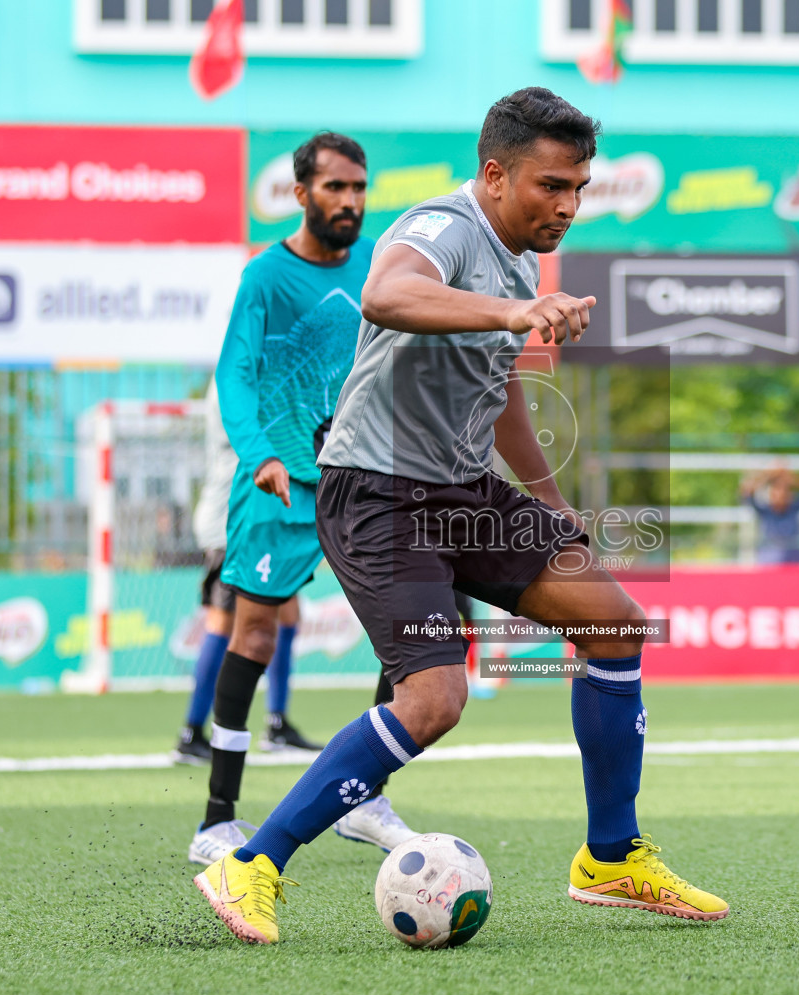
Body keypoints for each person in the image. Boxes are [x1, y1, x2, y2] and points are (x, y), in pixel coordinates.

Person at [194, 87, 728, 944]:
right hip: (377, 491)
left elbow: (502, 382)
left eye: (580, 187)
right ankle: (251, 862)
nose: (568, 205)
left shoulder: (520, 260)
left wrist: (552, 502)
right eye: (551, 185)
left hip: (462, 492)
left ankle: (610, 858)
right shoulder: (440, 227)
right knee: (435, 699)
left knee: (615, 624)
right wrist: (517, 313)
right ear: (494, 173)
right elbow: (387, 294)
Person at [188, 132, 419, 867]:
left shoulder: (381, 264)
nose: (349, 201)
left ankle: (366, 795)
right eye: (334, 189)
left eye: (358, 188)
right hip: (278, 484)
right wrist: (258, 456)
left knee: (408, 626)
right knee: (252, 636)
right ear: (301, 194)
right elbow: (235, 376)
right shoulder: (265, 278)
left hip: (360, 477)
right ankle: (217, 819)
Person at [173, 380, 238, 766]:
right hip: (229, 522)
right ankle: (192, 730)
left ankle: (277, 722)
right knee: (223, 622)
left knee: (286, 611)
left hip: (246, 518)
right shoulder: (233, 378)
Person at [738, 467, 799, 564]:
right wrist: (768, 475)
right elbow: (746, 491)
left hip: (793, 558)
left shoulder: (795, 508)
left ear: (790, 495)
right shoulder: (765, 511)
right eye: (776, 492)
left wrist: (793, 480)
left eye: (784, 492)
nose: (780, 496)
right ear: (770, 495)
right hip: (769, 559)